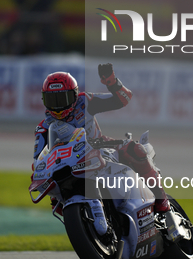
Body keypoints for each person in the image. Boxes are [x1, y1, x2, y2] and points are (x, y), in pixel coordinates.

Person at [33, 63, 171, 215]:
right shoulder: (43, 127)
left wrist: (112, 82)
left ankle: (160, 198)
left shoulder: (84, 101)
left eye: (62, 98)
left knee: (137, 150)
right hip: (69, 164)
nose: (58, 107)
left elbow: (123, 100)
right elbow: (38, 163)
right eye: (53, 100)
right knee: (56, 203)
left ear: (74, 95)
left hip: (101, 147)